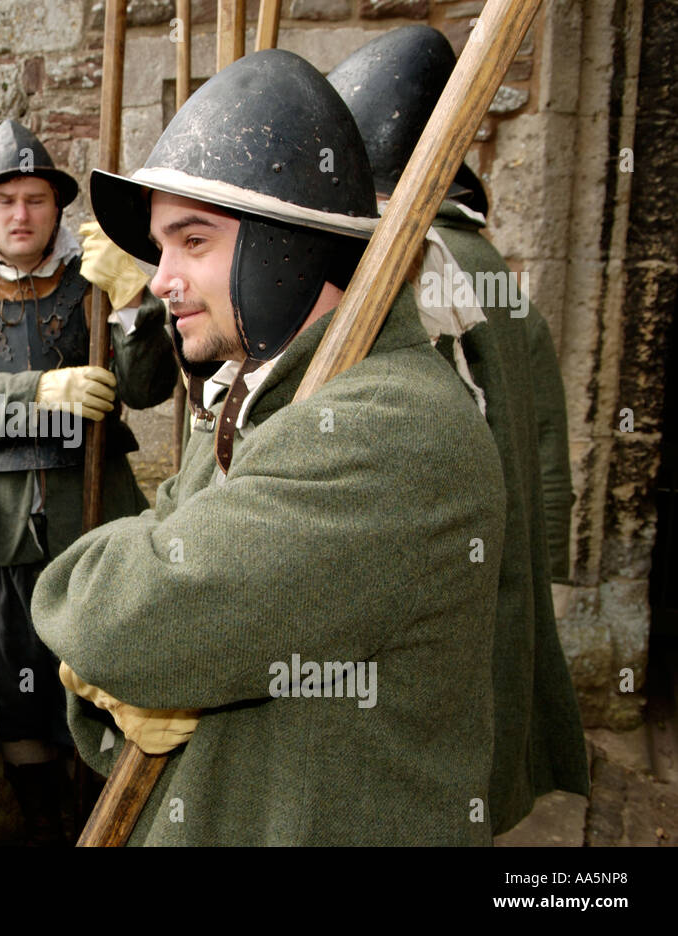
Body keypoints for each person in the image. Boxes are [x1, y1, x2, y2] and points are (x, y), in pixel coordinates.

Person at [31, 49, 507, 845]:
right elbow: (157, 606)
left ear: (291, 245)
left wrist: (108, 629)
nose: (159, 280)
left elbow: (129, 619)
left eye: (193, 241)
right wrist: (117, 681)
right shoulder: (256, 393)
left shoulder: (393, 428)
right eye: (162, 246)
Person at [326, 25, 589, 835]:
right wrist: (542, 566)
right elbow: (548, 443)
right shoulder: (488, 260)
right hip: (495, 570)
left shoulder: (416, 263)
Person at [0, 118, 177, 842]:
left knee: (107, 690)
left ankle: (108, 827)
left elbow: (150, 389)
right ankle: (43, 832)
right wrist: (39, 393)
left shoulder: (95, 284)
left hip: (95, 522)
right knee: (16, 706)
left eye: (34, 199)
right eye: (5, 202)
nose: (21, 215)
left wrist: (133, 305)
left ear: (57, 207)